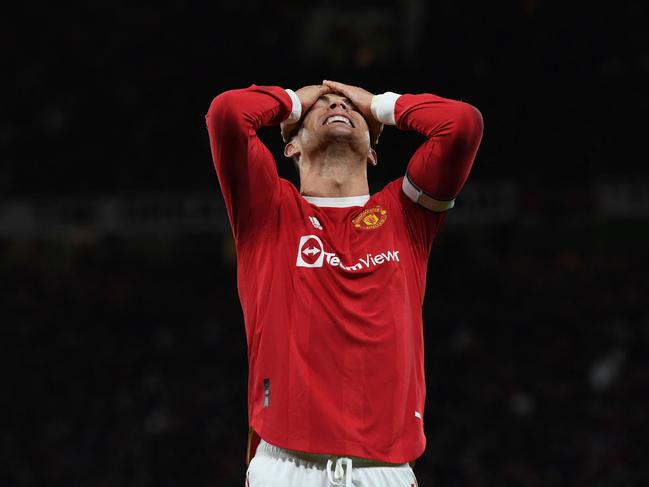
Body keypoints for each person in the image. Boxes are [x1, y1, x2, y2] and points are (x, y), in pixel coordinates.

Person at [205, 80, 483, 486]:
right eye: (325, 104)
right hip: (285, 466)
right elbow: (228, 113)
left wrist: (379, 104)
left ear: (372, 152)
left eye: (348, 105)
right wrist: (293, 102)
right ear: (291, 147)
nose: (338, 104)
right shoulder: (267, 209)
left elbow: (461, 124)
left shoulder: (406, 215)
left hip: (384, 472)